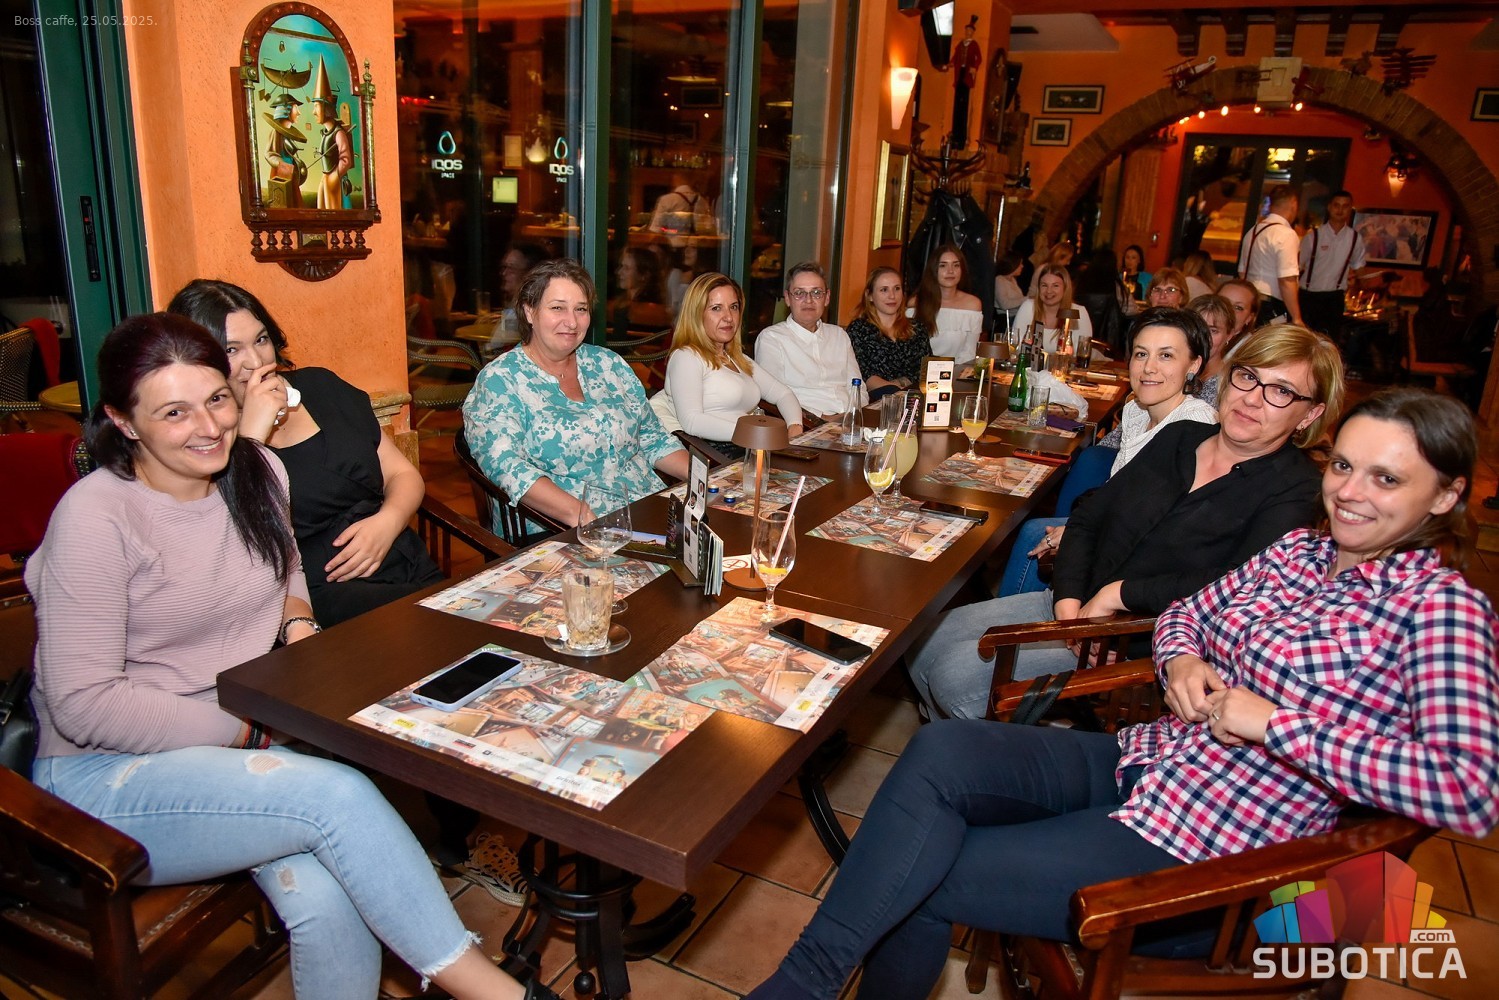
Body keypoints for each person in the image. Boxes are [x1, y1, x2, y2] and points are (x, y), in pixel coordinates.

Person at [746, 386, 1498, 1000]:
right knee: (941, 749)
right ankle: (804, 983)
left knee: (925, 874)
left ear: (1445, 496)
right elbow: (1183, 615)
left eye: (1386, 479)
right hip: (1154, 760)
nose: (1350, 493)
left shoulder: (1441, 610)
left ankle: (799, 986)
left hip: (1217, 851)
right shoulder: (1300, 552)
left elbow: (1468, 790)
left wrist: (1276, 725)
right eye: (1344, 467)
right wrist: (1181, 662)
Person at [26, 314, 554, 1000]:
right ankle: (495, 993)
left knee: (329, 899)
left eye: (217, 399)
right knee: (338, 794)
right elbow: (84, 704)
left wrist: (300, 625)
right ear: (123, 422)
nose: (209, 427)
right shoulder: (97, 516)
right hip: (107, 775)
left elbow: (287, 574)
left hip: (228, 750)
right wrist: (249, 730)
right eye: (174, 412)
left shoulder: (259, 471)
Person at [908, 323, 1344, 718]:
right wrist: (1069, 606)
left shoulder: (1297, 490)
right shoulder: (1181, 435)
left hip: (1145, 641)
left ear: (1309, 414)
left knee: (952, 675)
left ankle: (987, 754)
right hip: (1077, 607)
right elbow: (1090, 515)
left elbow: (1238, 585)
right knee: (921, 641)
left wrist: (1119, 595)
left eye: (1281, 391)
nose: (1252, 398)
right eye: (1247, 376)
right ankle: (965, 740)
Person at [168, 279, 443, 628]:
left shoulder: (321, 387)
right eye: (231, 349)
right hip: (315, 596)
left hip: (403, 558)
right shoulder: (202, 437)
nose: (256, 361)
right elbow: (225, 541)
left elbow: (402, 474)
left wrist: (389, 522)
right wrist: (252, 434)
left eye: (261, 340)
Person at [997, 308, 1219, 598]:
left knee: (1035, 533)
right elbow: (1118, 492)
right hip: (1117, 527)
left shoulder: (1196, 423)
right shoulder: (1135, 411)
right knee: (1035, 531)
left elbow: (1166, 525)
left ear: (1194, 364)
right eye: (1141, 354)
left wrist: (1080, 535)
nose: (1149, 367)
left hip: (1145, 558)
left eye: (1166, 355)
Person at [463, 258, 690, 527]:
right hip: (559, 525)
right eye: (557, 308)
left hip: (645, 508)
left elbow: (652, 438)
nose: (571, 322)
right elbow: (507, 466)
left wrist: (706, 481)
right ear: (529, 312)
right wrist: (581, 515)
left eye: (580, 309)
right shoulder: (500, 380)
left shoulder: (608, 364)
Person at [658, 272, 805, 456]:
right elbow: (692, 421)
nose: (728, 317)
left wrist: (795, 426)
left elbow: (783, 394)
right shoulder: (687, 357)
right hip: (720, 453)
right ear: (696, 314)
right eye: (716, 308)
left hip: (752, 445)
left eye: (733, 307)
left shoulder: (737, 359)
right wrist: (755, 433)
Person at [754, 261, 866, 418]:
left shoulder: (839, 335)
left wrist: (853, 415)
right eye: (799, 293)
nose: (808, 300)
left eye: (816, 293)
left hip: (851, 420)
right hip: (807, 423)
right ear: (787, 298)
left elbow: (858, 388)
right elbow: (773, 396)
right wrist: (821, 419)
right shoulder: (771, 339)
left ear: (826, 298)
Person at [847, 266, 932, 399]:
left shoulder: (917, 328)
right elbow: (863, 374)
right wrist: (896, 392)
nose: (892, 296)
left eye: (897, 289)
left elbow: (926, 371)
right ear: (870, 296)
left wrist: (904, 390)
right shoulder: (858, 329)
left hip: (914, 398)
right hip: (875, 399)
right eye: (884, 290)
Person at [1298, 190, 1366, 343]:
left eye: (1345, 206)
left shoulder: (1355, 239)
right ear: (1329, 207)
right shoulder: (1313, 237)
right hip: (1308, 297)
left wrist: (1365, 285)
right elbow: (1297, 267)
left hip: (1334, 299)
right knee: (1304, 342)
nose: (1340, 210)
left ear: (1350, 209)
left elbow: (1359, 266)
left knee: (1328, 343)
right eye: (1336, 205)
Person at [1237, 184, 1303, 326]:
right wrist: (1296, 318)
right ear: (1293, 204)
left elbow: (1242, 272)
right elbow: (1286, 279)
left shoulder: (1253, 232)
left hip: (1250, 301)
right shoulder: (1286, 234)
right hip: (1270, 304)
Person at [909, 245, 983, 363]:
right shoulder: (916, 302)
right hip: (919, 370)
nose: (950, 271)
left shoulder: (972, 305)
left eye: (956, 265)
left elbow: (969, 352)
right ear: (933, 270)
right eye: (943, 265)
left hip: (957, 370)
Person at [1011, 263, 1093, 354]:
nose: (1049, 291)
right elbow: (1016, 346)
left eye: (1055, 285)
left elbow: (1082, 351)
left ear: (1065, 288)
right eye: (1044, 285)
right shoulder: (1028, 307)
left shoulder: (1079, 312)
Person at [309, 57, 353, 211]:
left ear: (326, 108)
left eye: (316, 106)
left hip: (334, 180)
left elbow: (346, 160)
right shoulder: (326, 133)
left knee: (333, 211)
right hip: (326, 177)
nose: (314, 112)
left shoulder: (338, 134)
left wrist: (335, 176)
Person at [489, 243, 548, 352]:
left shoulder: (529, 310)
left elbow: (501, 344)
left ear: (529, 273)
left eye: (511, 268)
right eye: (504, 267)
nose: (504, 273)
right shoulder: (514, 304)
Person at [609, 246, 674, 334]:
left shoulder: (649, 311)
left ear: (643, 275)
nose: (619, 272)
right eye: (621, 266)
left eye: (627, 268)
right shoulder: (622, 303)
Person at [1186, 293, 1236, 406]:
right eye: (1197, 328)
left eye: (1213, 331)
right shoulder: (1172, 370)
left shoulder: (1230, 384)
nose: (1204, 337)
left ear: (1229, 335)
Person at [950, 16, 982, 149]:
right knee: (957, 104)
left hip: (967, 73)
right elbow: (955, 56)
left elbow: (979, 58)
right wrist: (950, 64)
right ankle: (954, 136)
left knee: (964, 104)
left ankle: (962, 138)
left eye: (970, 31)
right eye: (967, 30)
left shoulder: (974, 44)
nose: (968, 32)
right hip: (959, 73)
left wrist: (974, 67)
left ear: (972, 32)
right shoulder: (961, 44)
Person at [1217, 277, 1261, 346]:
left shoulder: (1248, 350)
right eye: (1222, 302)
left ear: (1249, 318)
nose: (1228, 310)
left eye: (1238, 307)